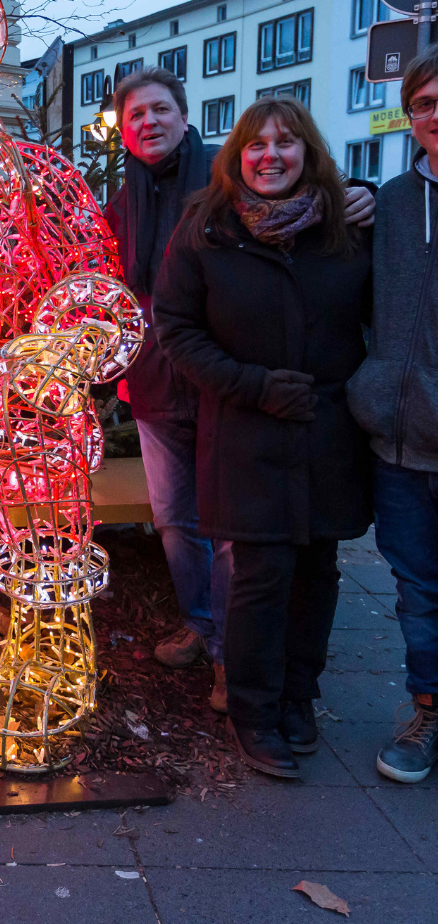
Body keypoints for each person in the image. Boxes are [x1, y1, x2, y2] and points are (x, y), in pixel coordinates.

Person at [105, 68, 375, 713]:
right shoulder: (120, 201)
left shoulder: (223, 181)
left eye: (160, 110)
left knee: (234, 530)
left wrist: (361, 194)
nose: (148, 122)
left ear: (184, 115)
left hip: (226, 387)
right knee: (175, 521)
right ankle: (204, 625)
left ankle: (235, 652)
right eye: (136, 114)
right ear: (123, 128)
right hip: (153, 383)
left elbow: (307, 210)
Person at [347, 46, 438, 784]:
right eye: (426, 103)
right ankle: (427, 710)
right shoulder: (393, 202)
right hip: (400, 442)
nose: (437, 115)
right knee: (416, 589)